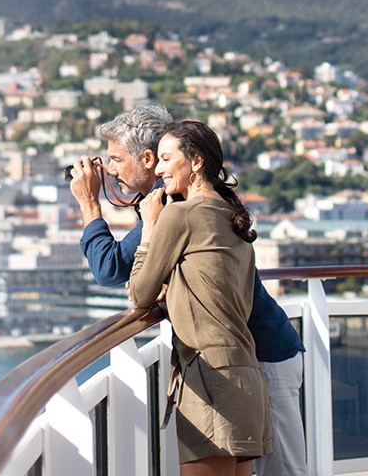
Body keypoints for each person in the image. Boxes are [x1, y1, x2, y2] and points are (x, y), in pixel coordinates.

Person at [70, 104, 306, 475]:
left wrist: (89, 205)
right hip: (251, 360)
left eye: (115, 159)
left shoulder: (177, 210)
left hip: (243, 360)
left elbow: (115, 271)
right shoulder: (214, 206)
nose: (109, 170)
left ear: (148, 159)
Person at [127, 119, 266, 475]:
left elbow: (140, 293)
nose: (157, 170)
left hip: (210, 379)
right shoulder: (232, 216)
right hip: (246, 374)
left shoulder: (180, 215)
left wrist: (150, 227)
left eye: (165, 158)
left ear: (196, 162)